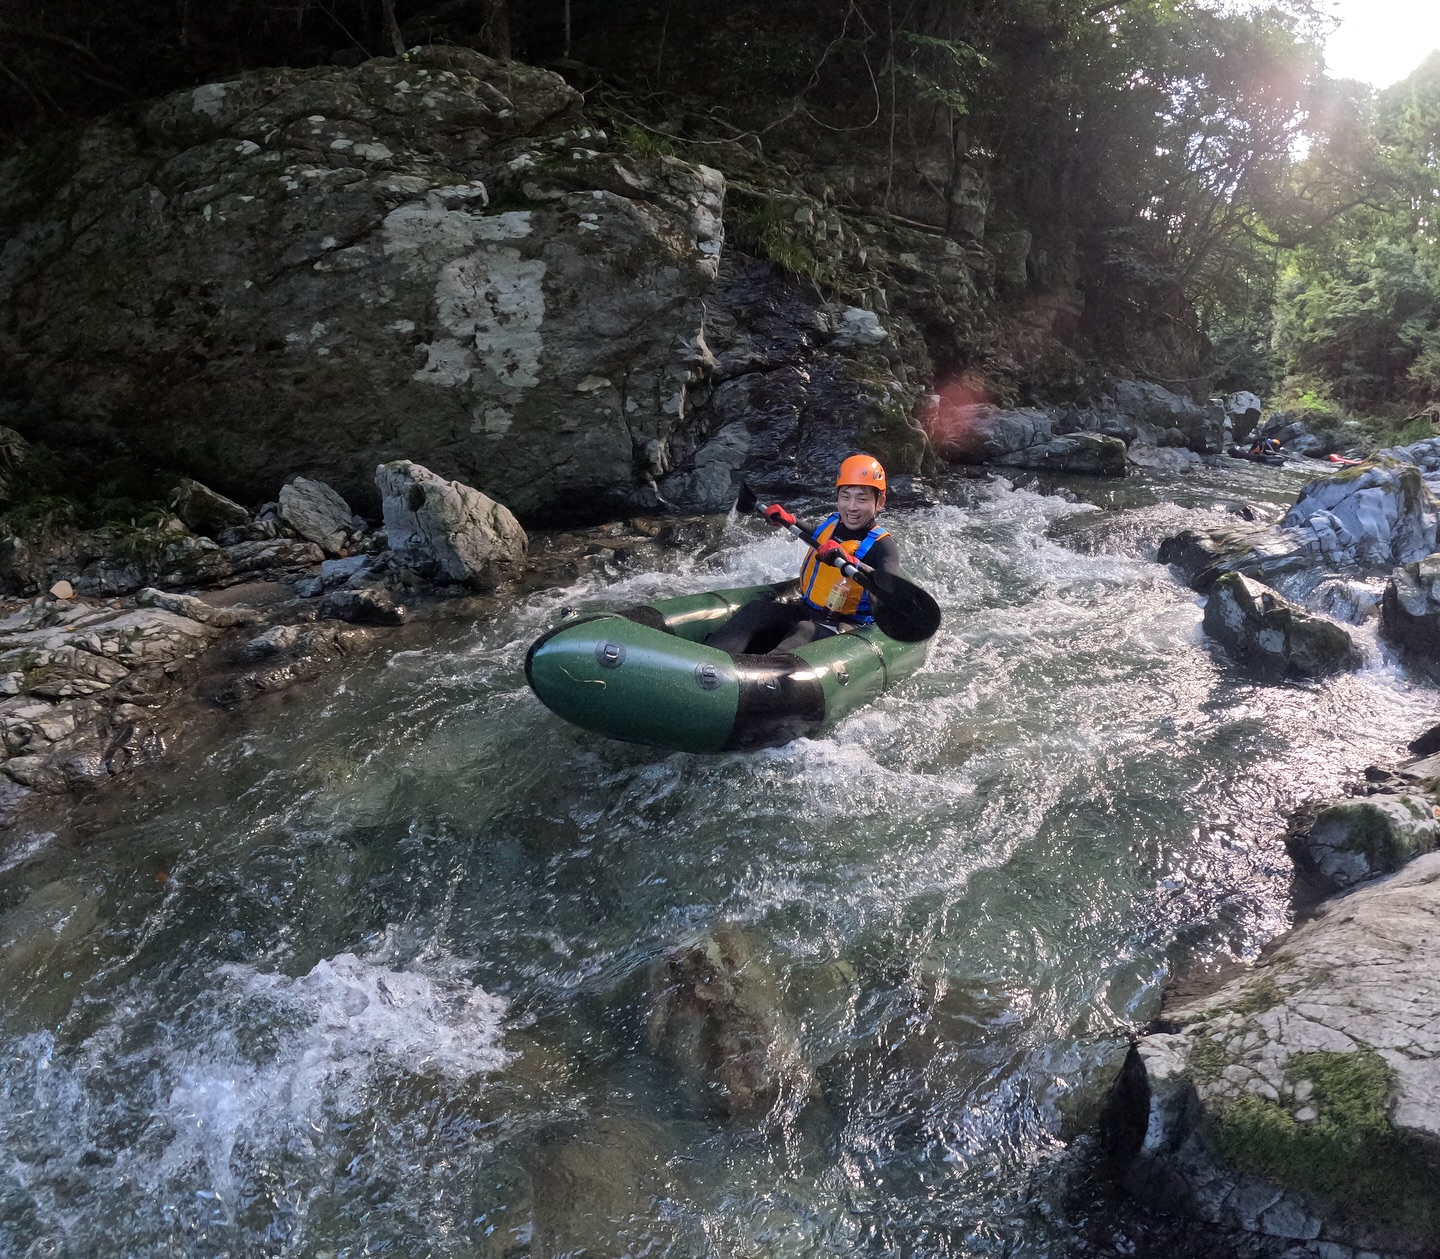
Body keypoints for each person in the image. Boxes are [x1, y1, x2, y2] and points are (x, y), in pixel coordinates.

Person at [705, 454, 902, 655]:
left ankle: (758, 680)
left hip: (846, 625)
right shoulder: (833, 523)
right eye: (845, 496)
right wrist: (790, 520)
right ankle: (707, 660)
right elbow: (816, 532)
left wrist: (853, 562)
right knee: (757, 610)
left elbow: (891, 588)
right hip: (809, 609)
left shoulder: (883, 545)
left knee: (805, 630)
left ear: (880, 501)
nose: (851, 506)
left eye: (861, 499)